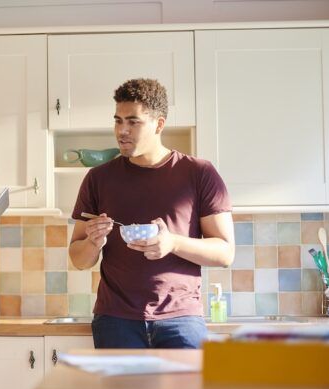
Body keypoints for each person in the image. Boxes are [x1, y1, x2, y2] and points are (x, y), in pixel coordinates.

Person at [68, 78, 235, 349]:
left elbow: (225, 253)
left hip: (182, 320)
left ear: (159, 124)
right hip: (115, 321)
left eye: (133, 122)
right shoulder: (98, 179)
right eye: (118, 120)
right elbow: (78, 258)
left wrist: (173, 243)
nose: (122, 131)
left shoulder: (199, 173)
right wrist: (93, 242)